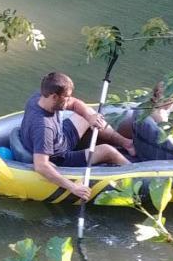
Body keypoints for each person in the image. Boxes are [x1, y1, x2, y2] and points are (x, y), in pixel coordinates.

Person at [19, 71, 131, 201]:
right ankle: (137, 172)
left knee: (87, 115)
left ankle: (127, 143)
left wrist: (90, 117)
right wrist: (73, 187)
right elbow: (41, 166)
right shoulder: (44, 127)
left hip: (61, 137)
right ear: (54, 97)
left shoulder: (39, 97)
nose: (69, 100)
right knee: (108, 151)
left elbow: (74, 103)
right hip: (59, 156)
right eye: (66, 97)